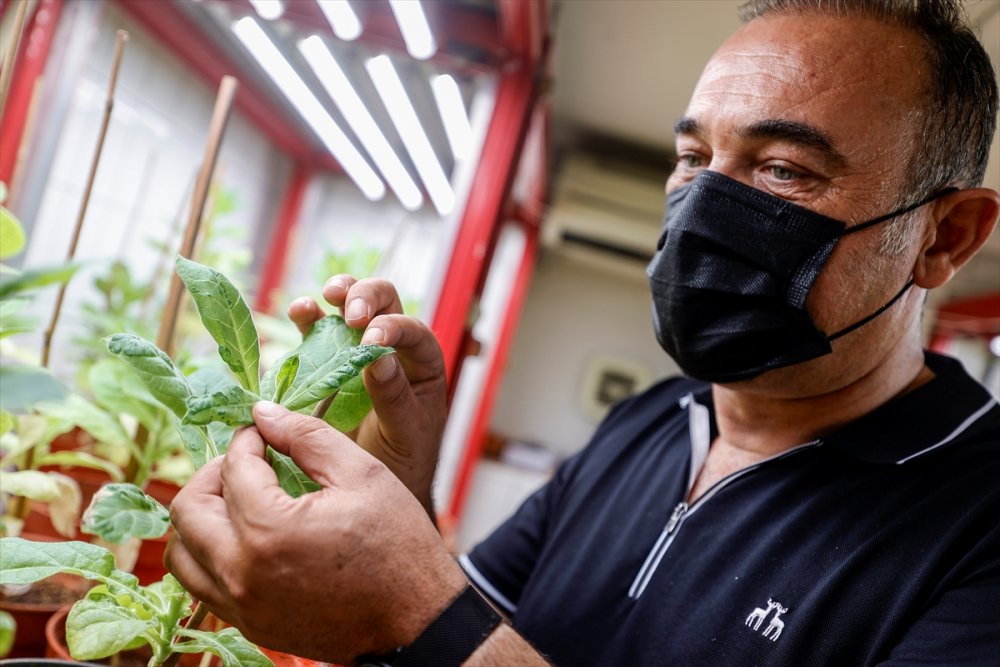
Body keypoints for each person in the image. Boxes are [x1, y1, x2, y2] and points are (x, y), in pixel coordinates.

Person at [165, 0, 1000, 664]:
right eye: (693, 157)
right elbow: (481, 627)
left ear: (945, 237)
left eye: (783, 168)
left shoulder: (978, 528)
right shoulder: (650, 419)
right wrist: (399, 491)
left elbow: (436, 627)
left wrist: (411, 609)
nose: (706, 207)